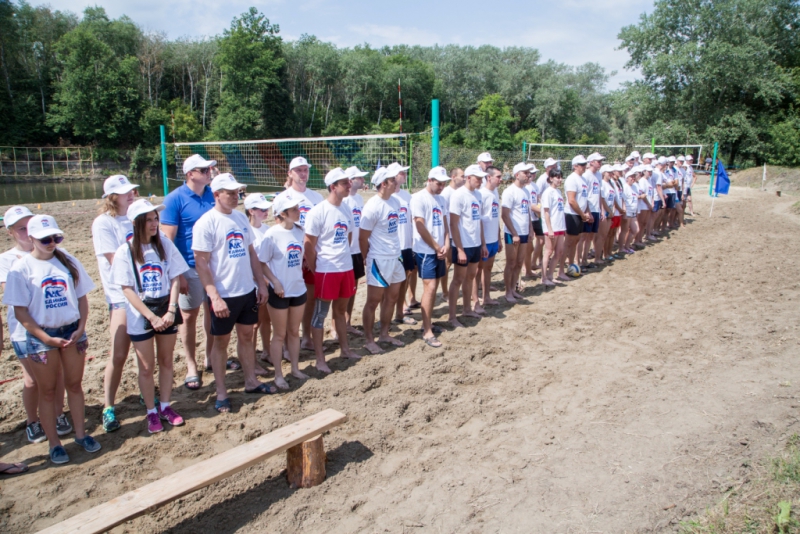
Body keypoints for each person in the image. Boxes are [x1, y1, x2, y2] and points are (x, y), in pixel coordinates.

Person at [5, 215, 100, 464]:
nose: (52, 243)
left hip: (72, 331)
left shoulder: (67, 260)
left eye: (56, 238)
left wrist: (81, 326)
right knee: (47, 391)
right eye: (45, 239)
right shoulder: (21, 268)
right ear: (32, 239)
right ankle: (54, 444)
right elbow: (20, 312)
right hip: (41, 336)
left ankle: (81, 435)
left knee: (74, 385)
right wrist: (45, 337)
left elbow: (82, 297)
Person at [192, 173, 275, 414]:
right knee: (221, 343)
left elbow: (251, 254)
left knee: (247, 336)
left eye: (237, 192)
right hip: (224, 293)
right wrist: (214, 296)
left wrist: (261, 284)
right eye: (230, 193)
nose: (235, 196)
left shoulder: (239, 218)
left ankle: (251, 381)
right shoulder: (206, 223)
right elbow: (201, 263)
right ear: (216, 194)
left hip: (246, 290)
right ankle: (221, 393)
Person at [112, 199, 188, 433]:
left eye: (156, 219)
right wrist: (151, 317)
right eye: (149, 220)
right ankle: (151, 411)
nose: (155, 224)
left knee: (166, 360)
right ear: (137, 223)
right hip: (140, 314)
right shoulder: (125, 251)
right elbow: (127, 289)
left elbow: (175, 278)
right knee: (146, 367)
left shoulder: (164, 244)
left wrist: (172, 309)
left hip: (165, 308)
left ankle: (165, 406)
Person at [0, 206, 68, 443]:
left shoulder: (53, 252)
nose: (26, 232)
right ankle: (32, 421)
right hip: (24, 329)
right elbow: (13, 294)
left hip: (53, 324)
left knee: (56, 374)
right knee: (31, 380)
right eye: (20, 228)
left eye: (29, 225)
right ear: (10, 232)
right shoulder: (8, 260)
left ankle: (58, 414)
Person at [161, 154, 224, 393]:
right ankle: (190, 365)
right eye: (204, 170)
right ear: (190, 174)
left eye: (210, 169)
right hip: (189, 266)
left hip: (214, 265)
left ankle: (210, 357)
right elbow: (167, 241)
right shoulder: (175, 199)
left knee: (214, 311)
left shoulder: (212, 194)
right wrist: (178, 274)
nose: (209, 173)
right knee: (189, 317)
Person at [92, 174, 138, 433]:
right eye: (124, 192)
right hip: (120, 295)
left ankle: (146, 394)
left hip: (143, 292)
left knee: (144, 352)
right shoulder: (103, 223)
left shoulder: (134, 216)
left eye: (131, 190)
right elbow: (114, 259)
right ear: (111, 197)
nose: (131, 194)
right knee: (118, 353)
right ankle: (108, 406)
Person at [303, 168, 360, 371]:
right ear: (333, 187)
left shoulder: (346, 208)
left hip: (345, 267)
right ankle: (320, 359)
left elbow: (348, 237)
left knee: (341, 311)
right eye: (345, 183)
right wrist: (316, 267)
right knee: (320, 314)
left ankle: (345, 349)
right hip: (327, 269)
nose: (349, 185)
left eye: (349, 181)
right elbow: (309, 245)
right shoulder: (318, 211)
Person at [257, 195, 309, 389]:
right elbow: (261, 263)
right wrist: (275, 282)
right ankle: (278, 375)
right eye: (293, 209)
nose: (298, 211)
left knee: (294, 332)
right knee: (279, 335)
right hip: (279, 292)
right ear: (283, 214)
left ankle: (295, 368)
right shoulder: (272, 234)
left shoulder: (300, 231)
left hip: (298, 288)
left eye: (297, 208)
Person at [272, 157, 324, 352]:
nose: (303, 173)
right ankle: (286, 343)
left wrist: (310, 253)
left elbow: (320, 228)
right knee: (286, 300)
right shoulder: (282, 198)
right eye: (298, 170)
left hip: (310, 253)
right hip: (290, 256)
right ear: (290, 173)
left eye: (305, 170)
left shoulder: (316, 197)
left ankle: (306, 337)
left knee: (309, 298)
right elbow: (279, 229)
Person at [411, 166, 451, 348]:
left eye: (443, 183)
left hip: (439, 249)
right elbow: (420, 226)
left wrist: (447, 244)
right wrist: (436, 247)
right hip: (425, 250)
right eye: (438, 183)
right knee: (430, 287)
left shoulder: (441, 199)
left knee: (433, 289)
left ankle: (427, 323)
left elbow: (445, 224)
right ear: (429, 180)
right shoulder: (418, 198)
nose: (442, 186)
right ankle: (427, 331)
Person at [448, 164, 488, 327]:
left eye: (482, 178)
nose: (481, 181)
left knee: (471, 277)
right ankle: (452, 316)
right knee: (457, 279)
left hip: (475, 243)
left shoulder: (478, 195)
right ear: (469, 178)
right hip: (463, 244)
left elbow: (479, 221)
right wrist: (459, 249)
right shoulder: (458, 195)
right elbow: (453, 224)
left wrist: (483, 244)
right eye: (478, 178)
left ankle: (467, 309)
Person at [387, 162, 418, 326]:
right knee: (390, 282)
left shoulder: (407, 196)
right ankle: (390, 314)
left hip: (406, 244)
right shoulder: (387, 197)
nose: (405, 175)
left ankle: (401, 309)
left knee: (406, 277)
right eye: (401, 173)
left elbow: (412, 221)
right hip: (392, 247)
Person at [244, 193, 273, 367]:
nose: (266, 211)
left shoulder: (267, 229)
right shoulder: (247, 231)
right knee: (254, 324)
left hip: (266, 281)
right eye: (262, 209)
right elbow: (248, 262)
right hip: (254, 283)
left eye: (266, 208)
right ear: (251, 211)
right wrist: (261, 279)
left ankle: (266, 352)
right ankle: (252, 360)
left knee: (266, 320)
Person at [341, 166, 368, 336]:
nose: (363, 180)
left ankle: (347, 322)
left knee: (353, 289)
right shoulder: (344, 201)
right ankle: (336, 325)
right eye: (359, 178)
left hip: (357, 250)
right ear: (350, 180)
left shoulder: (359, 198)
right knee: (341, 293)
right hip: (345, 251)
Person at [501, 163, 533, 303]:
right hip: (512, 232)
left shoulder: (526, 191)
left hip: (524, 231)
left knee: (520, 262)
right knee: (511, 262)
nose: (528, 175)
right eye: (525, 172)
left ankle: (514, 289)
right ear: (516, 175)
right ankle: (508, 291)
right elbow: (505, 215)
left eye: (528, 172)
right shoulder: (510, 191)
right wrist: (514, 233)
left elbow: (528, 213)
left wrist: (530, 229)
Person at [477, 166, 502, 307]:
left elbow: (496, 218)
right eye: (498, 176)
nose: (500, 179)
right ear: (489, 177)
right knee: (478, 269)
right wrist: (483, 243)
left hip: (493, 238)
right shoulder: (481, 194)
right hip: (484, 239)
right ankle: (475, 299)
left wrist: (498, 238)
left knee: (488, 268)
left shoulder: (495, 193)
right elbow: (479, 220)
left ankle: (486, 297)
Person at [563, 155, 592, 275]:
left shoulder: (583, 179)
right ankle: (561, 270)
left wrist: (587, 212)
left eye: (585, 164)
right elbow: (571, 200)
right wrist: (582, 214)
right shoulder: (572, 179)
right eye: (582, 164)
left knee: (576, 241)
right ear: (575, 166)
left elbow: (585, 199)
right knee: (568, 242)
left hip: (580, 214)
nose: (585, 166)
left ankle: (572, 265)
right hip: (572, 214)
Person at [438, 167, 464, 302]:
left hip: (460, 233)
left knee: (460, 264)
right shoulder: (446, 193)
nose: (464, 179)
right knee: (447, 264)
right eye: (462, 176)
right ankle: (444, 292)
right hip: (449, 234)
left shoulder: (461, 192)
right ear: (453, 177)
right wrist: (446, 236)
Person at [541, 169, 568, 285]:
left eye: (561, 177)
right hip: (552, 227)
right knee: (548, 251)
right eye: (557, 177)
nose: (560, 180)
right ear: (551, 178)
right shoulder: (548, 192)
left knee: (559, 251)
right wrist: (549, 229)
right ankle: (543, 277)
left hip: (560, 226)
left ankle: (551, 275)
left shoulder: (558, 192)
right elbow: (546, 212)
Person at [581, 153, 604, 270]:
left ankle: (585, 260)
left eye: (601, 161)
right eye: (598, 161)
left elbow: (598, 193)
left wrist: (601, 209)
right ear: (591, 162)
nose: (600, 163)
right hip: (588, 209)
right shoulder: (586, 175)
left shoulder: (599, 175)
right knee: (583, 237)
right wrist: (587, 211)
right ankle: (579, 261)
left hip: (596, 209)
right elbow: (584, 195)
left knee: (590, 237)